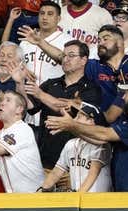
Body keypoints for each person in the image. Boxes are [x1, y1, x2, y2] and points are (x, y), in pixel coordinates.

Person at [46, 79, 128, 192]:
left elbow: (105, 134)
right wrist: (71, 128)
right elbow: (98, 140)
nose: (123, 97)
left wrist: (72, 125)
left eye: (127, 93)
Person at [21, 40, 101, 173]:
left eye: (71, 55)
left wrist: (41, 95)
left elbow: (72, 112)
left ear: (83, 60)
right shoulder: (51, 84)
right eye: (63, 56)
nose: (65, 59)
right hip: (46, 160)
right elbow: (31, 107)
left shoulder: (91, 88)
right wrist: (19, 83)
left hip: (76, 163)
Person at [39, 102, 112, 192]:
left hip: (98, 202)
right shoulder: (70, 144)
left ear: (92, 121)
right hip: (78, 199)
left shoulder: (102, 145)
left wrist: (76, 197)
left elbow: (93, 174)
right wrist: (43, 190)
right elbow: (56, 173)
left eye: (79, 117)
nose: (74, 120)